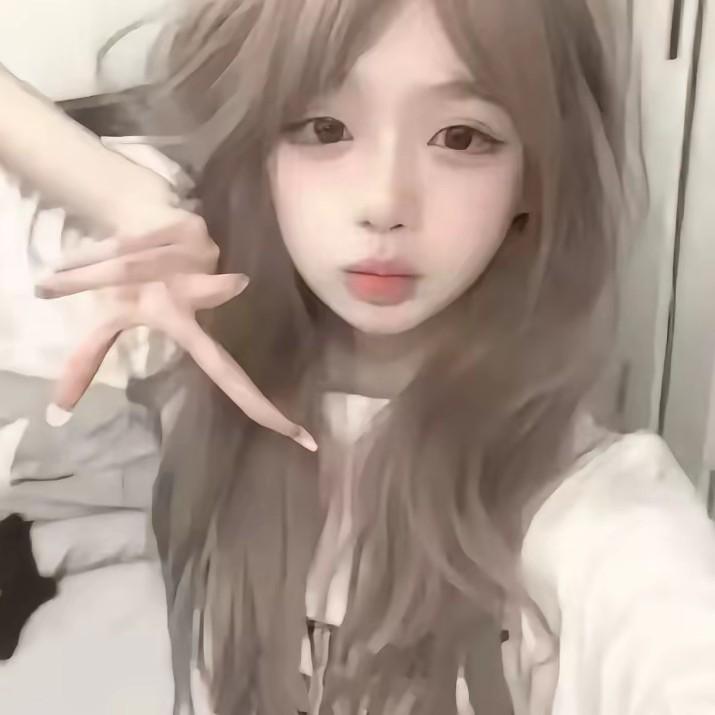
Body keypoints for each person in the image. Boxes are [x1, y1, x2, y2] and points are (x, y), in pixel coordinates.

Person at [1, 1, 715, 714]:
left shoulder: (598, 516)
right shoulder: (188, 358)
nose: (383, 202)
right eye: (324, 128)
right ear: (260, 150)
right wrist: (130, 200)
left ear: (535, 174)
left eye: (461, 136)